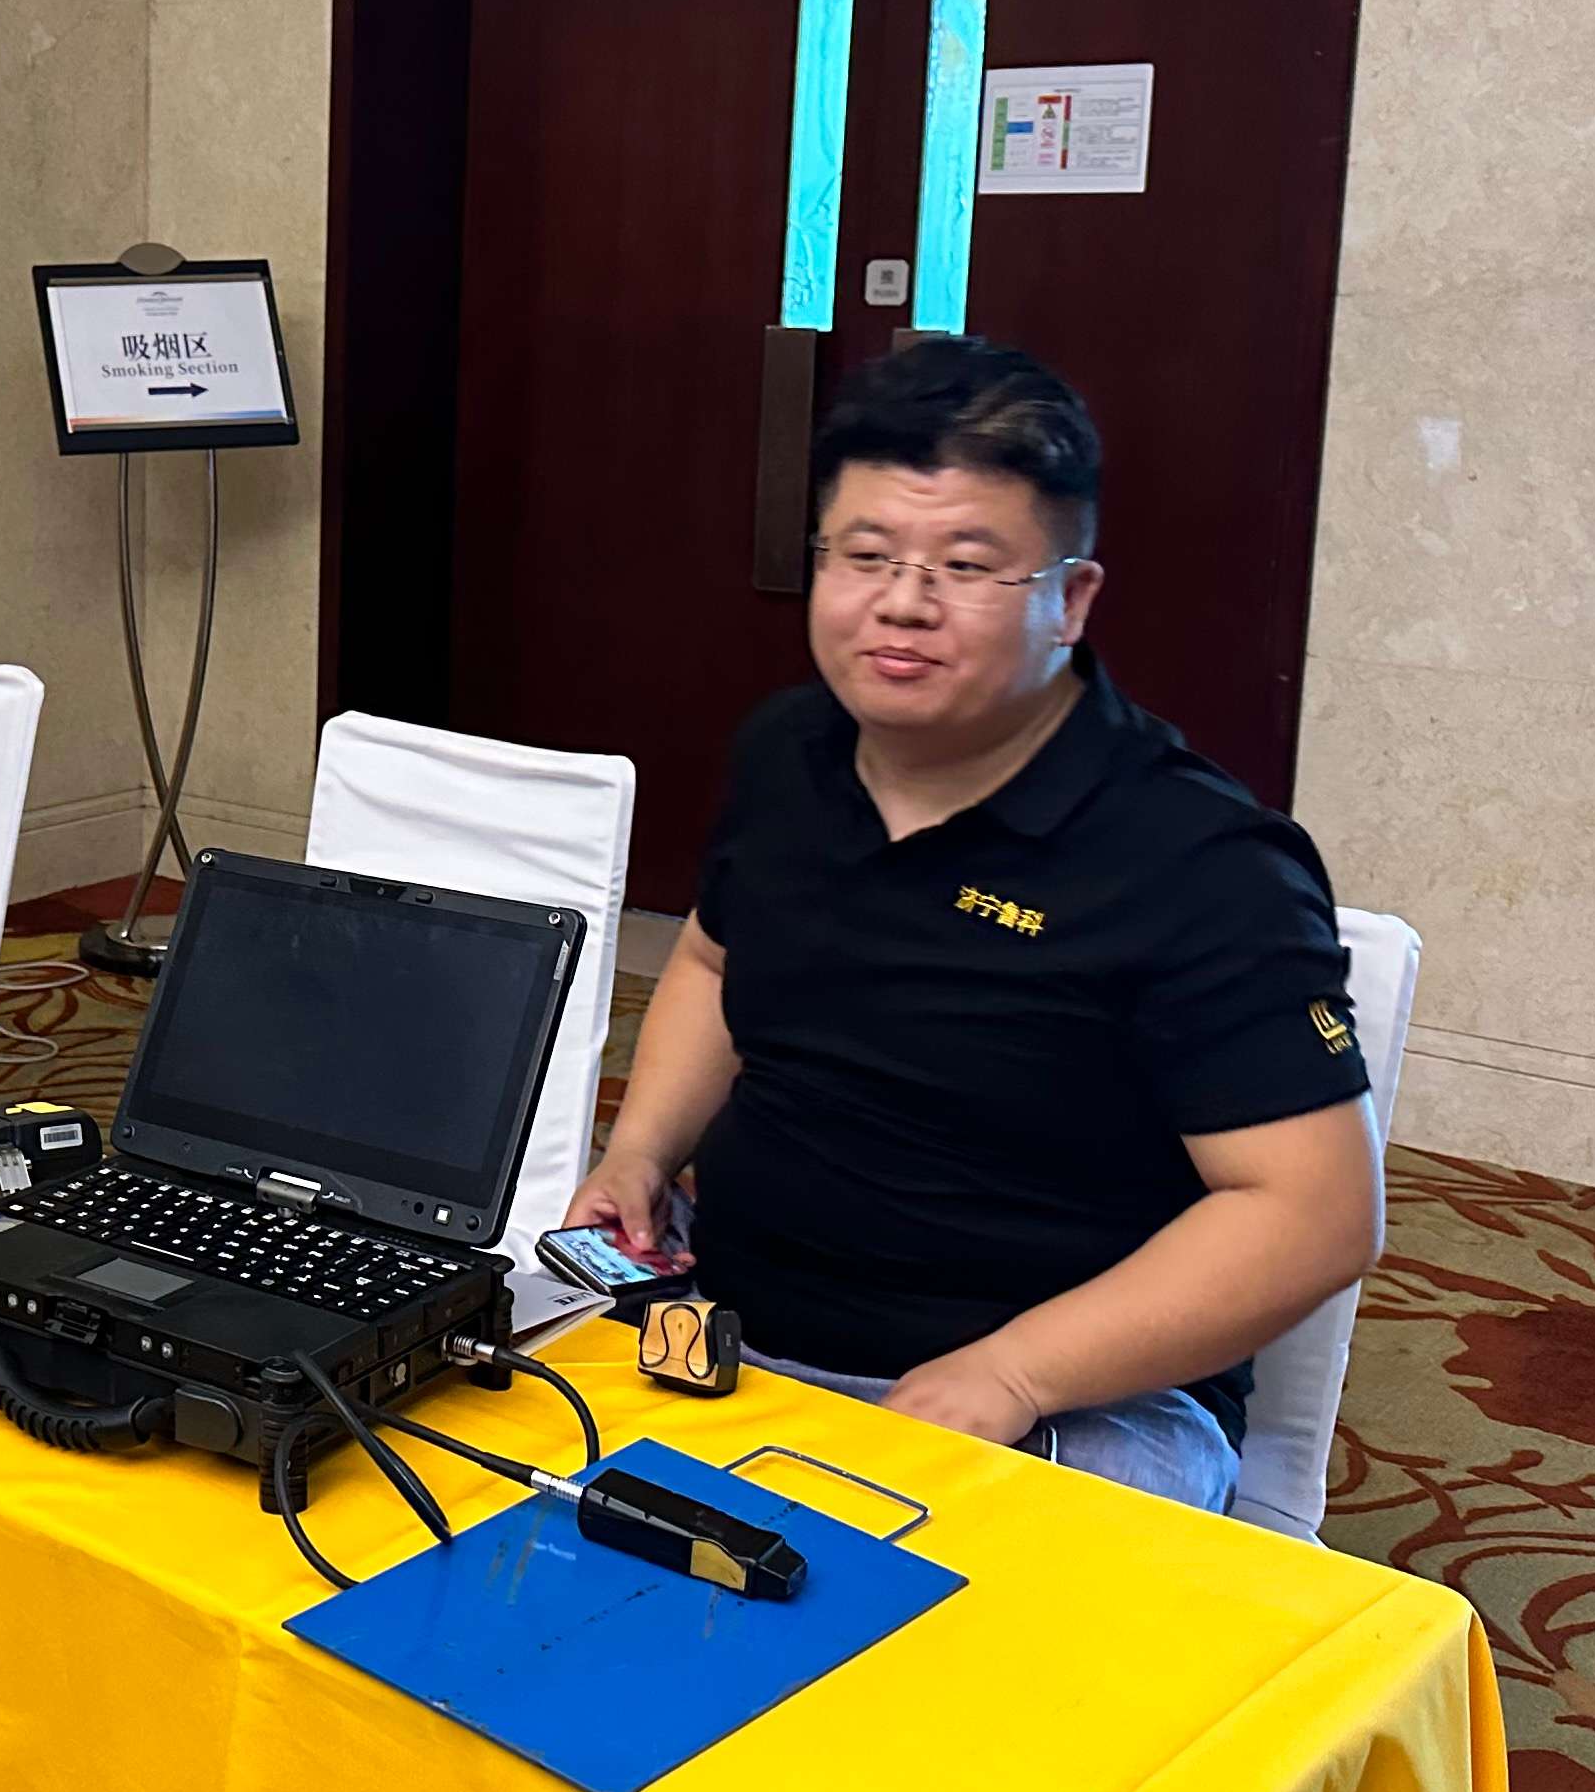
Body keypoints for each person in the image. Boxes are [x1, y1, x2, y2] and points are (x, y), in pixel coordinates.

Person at [563, 338, 1377, 1510]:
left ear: (1070, 601)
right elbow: (709, 955)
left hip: (1062, 1393)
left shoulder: (1199, 860)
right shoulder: (789, 752)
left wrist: (1013, 1371)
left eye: (965, 565)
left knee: (935, 1623)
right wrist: (640, 1156)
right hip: (724, 1320)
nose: (903, 602)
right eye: (866, 556)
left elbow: (1315, 1215)